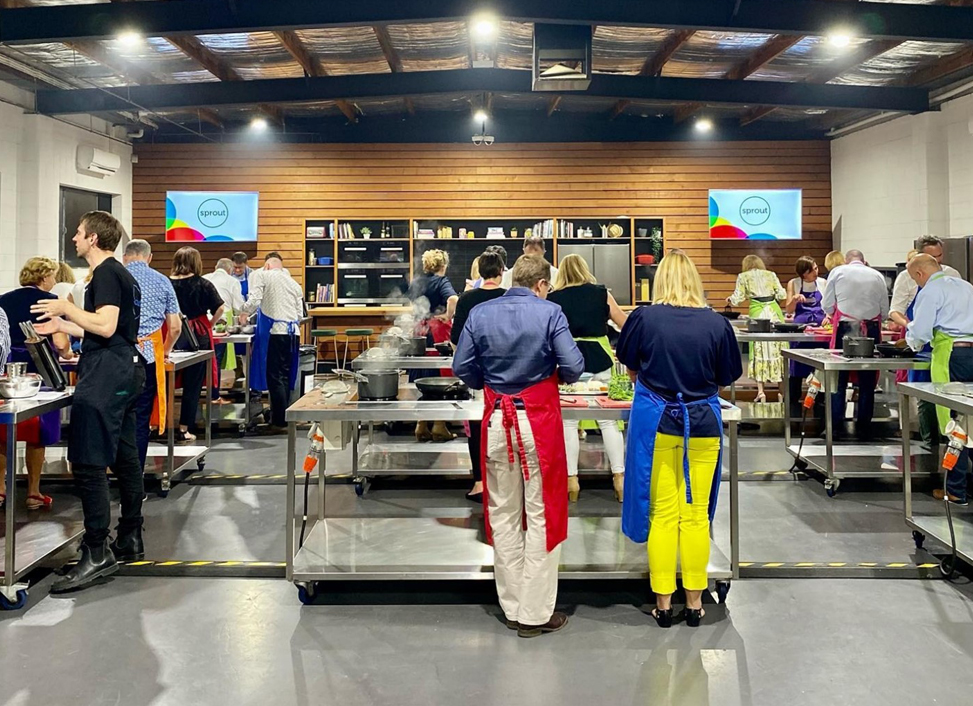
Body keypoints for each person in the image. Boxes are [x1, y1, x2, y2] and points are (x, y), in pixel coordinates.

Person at [453, 254, 584, 638]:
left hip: (496, 420)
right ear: (542, 284)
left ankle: (511, 606)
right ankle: (535, 612)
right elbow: (573, 366)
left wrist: (489, 379)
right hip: (537, 423)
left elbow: (462, 366)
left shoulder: (480, 313)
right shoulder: (550, 313)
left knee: (503, 514)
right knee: (542, 514)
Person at [616, 251, 742, 628]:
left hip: (657, 424)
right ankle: (695, 602)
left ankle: (663, 603)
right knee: (696, 515)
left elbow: (629, 365)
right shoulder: (716, 324)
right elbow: (727, 376)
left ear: (661, 281)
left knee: (663, 514)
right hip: (702, 426)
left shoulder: (643, 318)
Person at [32, 211, 145, 592]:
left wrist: (65, 307)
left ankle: (96, 551)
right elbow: (101, 326)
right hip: (124, 366)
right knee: (125, 455)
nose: (74, 238)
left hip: (108, 372)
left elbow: (107, 326)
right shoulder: (114, 275)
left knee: (88, 460)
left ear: (94, 239)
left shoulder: (109, 273)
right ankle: (129, 536)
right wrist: (64, 325)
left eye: (79, 233)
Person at [547, 254, 629, 503]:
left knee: (569, 424)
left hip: (569, 362)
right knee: (608, 422)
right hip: (601, 360)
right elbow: (624, 322)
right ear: (585, 270)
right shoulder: (601, 293)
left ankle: (572, 481)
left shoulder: (553, 298)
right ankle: (619, 478)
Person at [0, 257, 75, 510]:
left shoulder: (4, 299)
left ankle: (0, 490)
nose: (55, 281)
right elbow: (62, 343)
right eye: (53, 276)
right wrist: (66, 355)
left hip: (9, 371)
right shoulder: (49, 301)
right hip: (39, 368)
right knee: (37, 431)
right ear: (44, 278)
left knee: (2, 432)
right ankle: (33, 492)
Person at [905, 254, 973, 505]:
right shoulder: (966, 286)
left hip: (951, 354)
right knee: (972, 418)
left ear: (920, 274)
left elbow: (921, 330)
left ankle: (956, 489)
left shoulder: (931, 290)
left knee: (953, 421)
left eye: (915, 279)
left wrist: (912, 342)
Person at [890, 236, 961, 444]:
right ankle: (930, 443)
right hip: (920, 344)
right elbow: (896, 310)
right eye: (932, 257)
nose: (937, 262)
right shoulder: (907, 276)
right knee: (924, 394)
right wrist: (911, 326)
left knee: (951, 394)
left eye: (940, 256)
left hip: (947, 344)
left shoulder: (952, 275)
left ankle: (951, 442)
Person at [450, 251, 506, 502]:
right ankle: (505, 482)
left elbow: (455, 339)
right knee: (506, 426)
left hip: (477, 375)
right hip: (507, 374)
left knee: (477, 426)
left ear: (480, 272)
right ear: (502, 271)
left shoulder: (467, 299)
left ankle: (479, 483)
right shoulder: (508, 298)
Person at [123, 239, 181, 471]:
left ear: (125, 257)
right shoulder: (162, 280)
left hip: (115, 356)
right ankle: (134, 479)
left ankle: (108, 471)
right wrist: (165, 350)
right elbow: (175, 327)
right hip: (147, 356)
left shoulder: (112, 277)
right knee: (140, 416)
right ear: (149, 257)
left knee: (115, 415)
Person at [821, 249, 890, 438]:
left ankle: (835, 426)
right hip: (871, 328)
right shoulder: (877, 275)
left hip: (845, 327)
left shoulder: (837, 272)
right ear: (864, 260)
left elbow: (826, 305)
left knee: (838, 378)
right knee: (867, 379)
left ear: (846, 260)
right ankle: (864, 427)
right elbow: (885, 309)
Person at [241, 256, 305, 431]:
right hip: (293, 334)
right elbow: (300, 315)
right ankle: (283, 415)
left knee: (275, 377)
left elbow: (254, 300)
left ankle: (278, 421)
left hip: (276, 332)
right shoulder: (293, 283)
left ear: (267, 265)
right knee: (286, 375)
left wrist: (243, 311)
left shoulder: (264, 275)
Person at [170, 247, 224, 442]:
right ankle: (184, 428)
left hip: (172, 333)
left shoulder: (166, 283)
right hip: (198, 334)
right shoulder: (203, 284)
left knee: (164, 382)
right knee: (192, 386)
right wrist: (209, 324)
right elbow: (220, 308)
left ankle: (158, 424)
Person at [409, 249, 459, 442]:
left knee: (421, 376)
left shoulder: (418, 282)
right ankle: (439, 425)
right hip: (436, 332)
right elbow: (453, 298)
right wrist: (448, 315)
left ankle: (421, 424)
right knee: (440, 378)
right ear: (443, 265)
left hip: (419, 331)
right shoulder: (442, 281)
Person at [727, 255, 786, 403]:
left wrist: (729, 300)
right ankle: (782, 392)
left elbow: (738, 298)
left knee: (759, 348)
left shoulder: (743, 276)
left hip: (757, 315)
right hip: (774, 313)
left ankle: (761, 392)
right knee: (778, 350)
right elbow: (782, 294)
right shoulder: (771, 274)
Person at [784, 256, 828, 412]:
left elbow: (831, 305)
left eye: (816, 268)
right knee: (796, 368)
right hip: (801, 329)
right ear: (804, 273)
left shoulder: (823, 283)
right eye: (813, 269)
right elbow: (789, 310)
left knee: (821, 368)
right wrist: (795, 299)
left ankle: (821, 402)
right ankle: (793, 403)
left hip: (820, 330)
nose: (817, 271)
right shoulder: (794, 283)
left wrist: (828, 316)